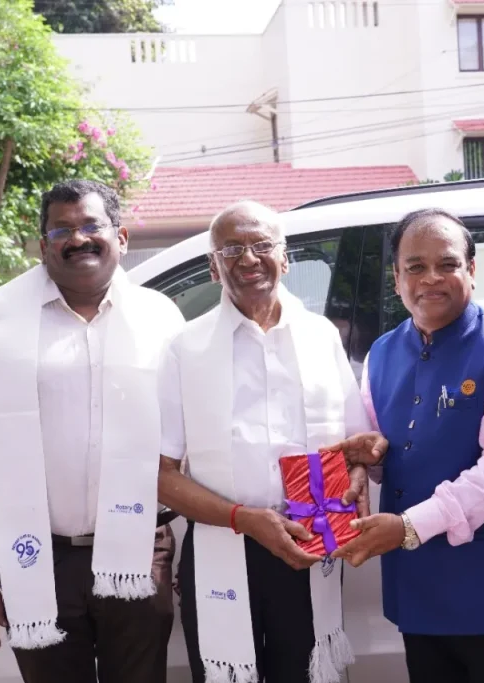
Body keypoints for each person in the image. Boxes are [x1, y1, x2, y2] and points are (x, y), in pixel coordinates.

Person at [0, 179, 183, 683]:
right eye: (62, 229)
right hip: (37, 554)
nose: (78, 239)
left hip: (138, 550)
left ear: (121, 236)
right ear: (43, 242)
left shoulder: (161, 318)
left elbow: (189, 435)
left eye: (91, 225)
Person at [329, 208, 484, 683]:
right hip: (419, 590)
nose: (431, 278)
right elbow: (386, 450)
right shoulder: (383, 353)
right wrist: (367, 460)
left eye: (447, 264)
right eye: (415, 266)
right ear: (396, 279)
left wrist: (408, 527)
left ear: (470, 270)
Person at [156, 200, 376, 683]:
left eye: (261, 245)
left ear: (286, 257)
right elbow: (162, 477)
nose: (248, 259)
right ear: (214, 267)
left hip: (310, 543)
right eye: (231, 249)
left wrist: (355, 475)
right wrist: (246, 520)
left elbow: (356, 447)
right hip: (223, 542)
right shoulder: (185, 348)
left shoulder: (320, 336)